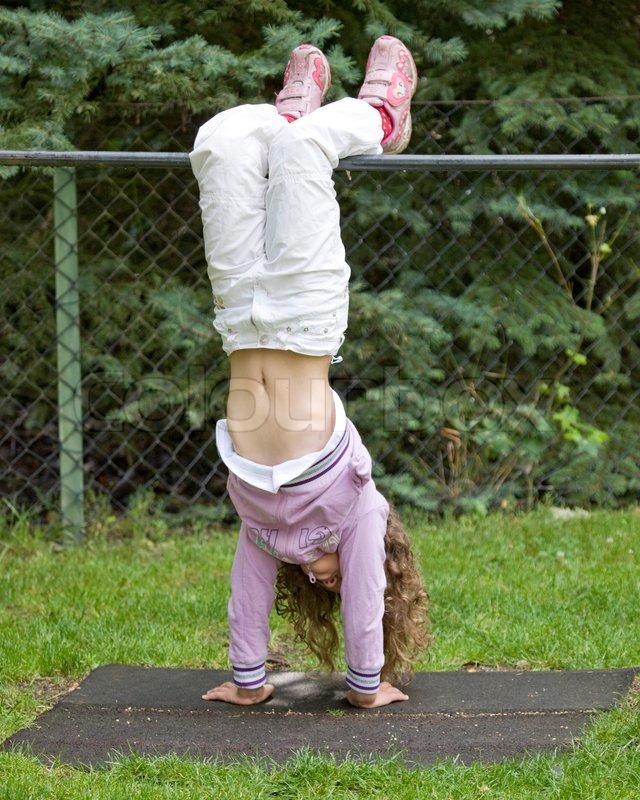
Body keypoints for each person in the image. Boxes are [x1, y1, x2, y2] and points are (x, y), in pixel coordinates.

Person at [189, 35, 429, 709]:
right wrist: (363, 687)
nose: (329, 583)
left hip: (240, 320)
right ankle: (383, 114)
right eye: (342, 583)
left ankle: (290, 113)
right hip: (305, 317)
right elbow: (362, 594)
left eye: (318, 588)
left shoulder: (265, 529)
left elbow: (247, 592)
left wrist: (247, 682)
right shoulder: (360, 511)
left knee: (221, 142)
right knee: (304, 157)